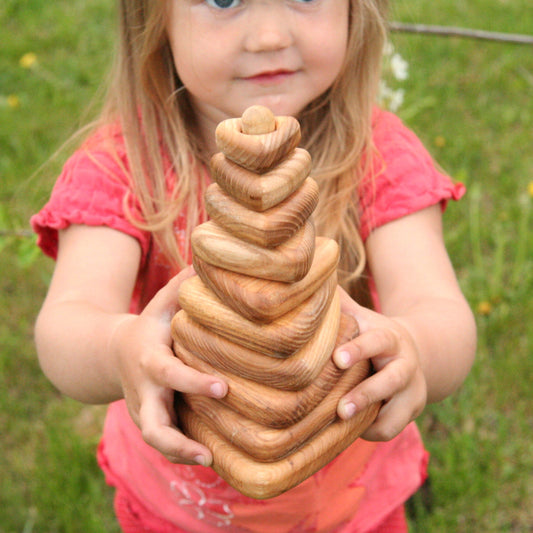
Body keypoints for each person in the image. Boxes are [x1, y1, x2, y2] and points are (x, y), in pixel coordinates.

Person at [31, 0, 477, 532]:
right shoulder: (125, 165)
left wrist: (414, 347)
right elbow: (65, 325)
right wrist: (117, 348)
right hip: (179, 506)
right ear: (152, 19)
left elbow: (441, 314)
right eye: (223, 0)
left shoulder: (378, 155)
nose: (269, 35)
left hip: (350, 501)